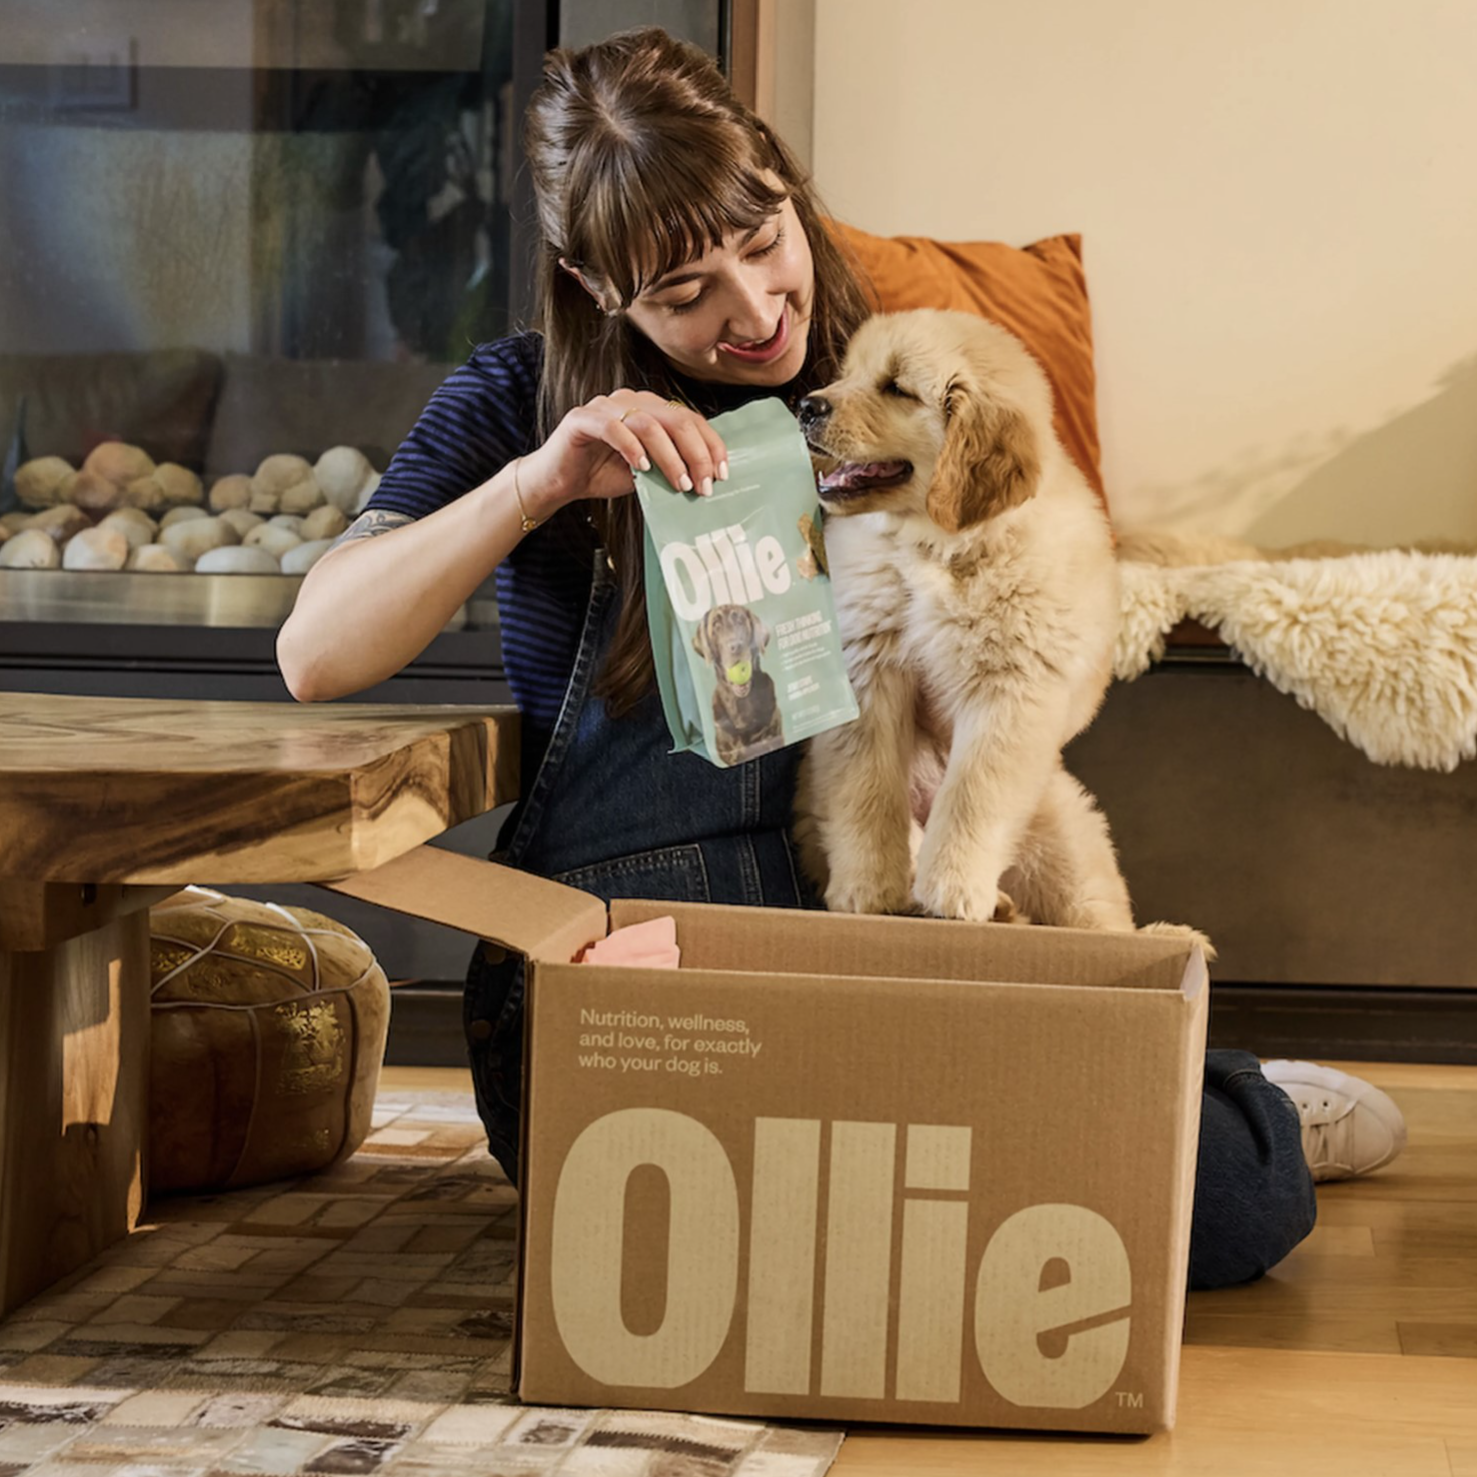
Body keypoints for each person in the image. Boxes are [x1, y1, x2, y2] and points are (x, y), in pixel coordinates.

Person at [276, 26, 1406, 1290]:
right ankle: (1149, 1089)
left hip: (884, 934)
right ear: (598, 290)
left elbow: (1030, 637)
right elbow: (316, 652)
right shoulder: (516, 402)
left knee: (1229, 1202)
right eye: (682, 292)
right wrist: (537, 487)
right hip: (638, 972)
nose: (753, 313)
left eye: (762, 244)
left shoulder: (888, 383)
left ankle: (1211, 1085)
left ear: (789, 195)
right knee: (676, 1232)